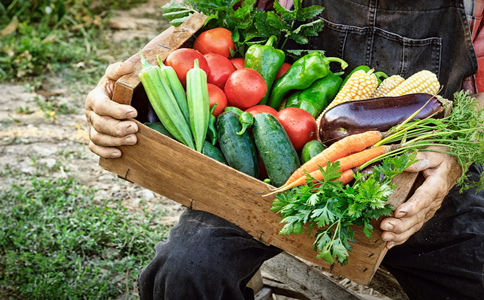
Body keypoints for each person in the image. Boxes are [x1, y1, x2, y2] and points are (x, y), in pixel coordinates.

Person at [85, 0, 484, 299]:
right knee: (186, 272)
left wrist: (454, 158)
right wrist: (122, 85)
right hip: (276, 171)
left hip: (428, 172)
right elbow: (201, 35)